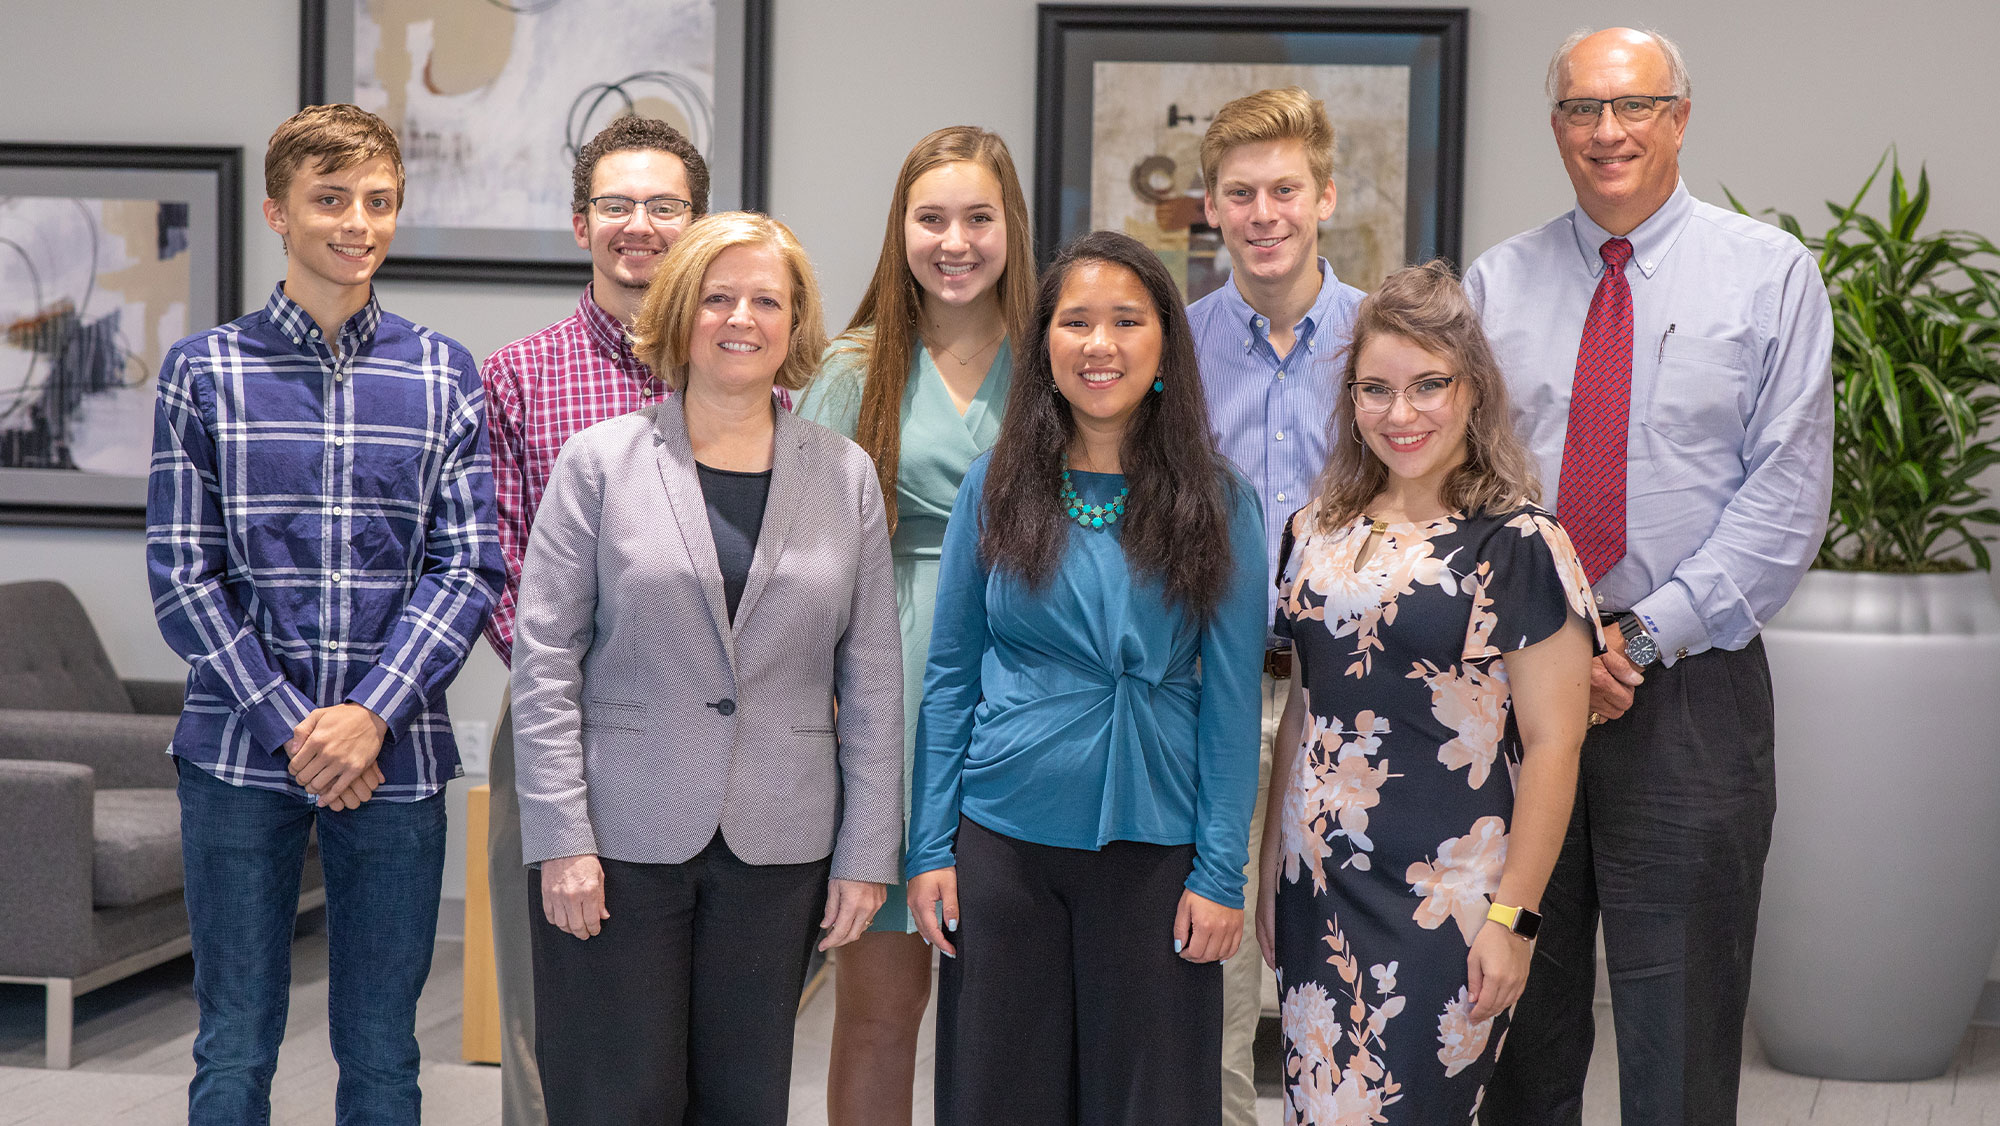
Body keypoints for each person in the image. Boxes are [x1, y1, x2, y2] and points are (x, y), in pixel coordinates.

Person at [1464, 28, 1833, 1126]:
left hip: (1687, 688)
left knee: (1680, 1032)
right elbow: (1464, 489)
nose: (1605, 131)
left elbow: (1782, 500)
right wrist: (1550, 649)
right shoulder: (1496, 280)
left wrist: (1629, 640)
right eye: (1580, 109)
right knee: (1517, 1024)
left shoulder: (1767, 276)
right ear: (1554, 128)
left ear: (1678, 116)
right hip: (1518, 693)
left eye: (1631, 106)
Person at [146, 104, 503, 1125]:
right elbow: (182, 575)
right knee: (233, 1044)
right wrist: (293, 726)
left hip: (395, 757)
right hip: (235, 754)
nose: (359, 222)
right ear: (278, 211)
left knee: (385, 1053)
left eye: (379, 201)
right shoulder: (203, 371)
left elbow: (466, 565)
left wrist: (368, 714)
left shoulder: (443, 372)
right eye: (331, 199)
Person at [510, 211, 904, 1124]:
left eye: (768, 299)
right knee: (617, 1098)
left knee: (745, 1100)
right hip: (617, 842)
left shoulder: (843, 475)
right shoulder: (599, 464)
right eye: (719, 296)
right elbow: (544, 664)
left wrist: (865, 852)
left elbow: (875, 681)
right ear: (681, 311)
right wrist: (561, 838)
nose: (743, 318)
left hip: (780, 844)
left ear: (794, 323)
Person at [906, 230, 1267, 1125]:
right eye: (1075, 322)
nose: (1098, 344)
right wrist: (929, 847)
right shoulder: (993, 486)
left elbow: (1229, 702)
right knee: (1001, 1098)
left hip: (1157, 850)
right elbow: (951, 675)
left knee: (1150, 1103)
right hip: (1001, 840)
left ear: (1163, 348)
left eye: (1126, 321)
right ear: (1045, 347)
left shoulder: (1221, 502)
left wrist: (1223, 875)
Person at [1252, 262, 1598, 1123]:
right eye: (1376, 389)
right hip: (1318, 885)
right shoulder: (1314, 530)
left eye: (1427, 386)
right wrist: (1269, 868)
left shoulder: (1517, 543)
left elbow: (1558, 743)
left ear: (1473, 391)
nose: (1400, 414)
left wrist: (1513, 919)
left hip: (1448, 901)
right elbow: (1304, 709)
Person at [792, 123, 1032, 1126]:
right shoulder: (853, 370)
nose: (954, 240)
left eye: (978, 216)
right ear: (899, 230)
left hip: (1022, 688)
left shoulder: (1058, 364)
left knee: (1010, 1018)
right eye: (930, 217)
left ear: (1010, 226)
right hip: (882, 700)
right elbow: (799, 565)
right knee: (881, 1011)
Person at [477, 114, 713, 1126]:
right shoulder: (518, 376)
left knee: (709, 1004)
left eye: (664, 205)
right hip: (553, 722)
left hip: (717, 730)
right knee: (545, 1004)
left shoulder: (754, 370)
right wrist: (573, 687)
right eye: (616, 204)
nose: (639, 225)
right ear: (580, 223)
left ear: (697, 222)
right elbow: (494, 564)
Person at [1184, 85, 1369, 1124]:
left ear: (1324, 196)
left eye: (1284, 190)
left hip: (1349, 697)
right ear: (1210, 206)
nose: (1264, 213)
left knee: (1343, 958)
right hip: (1209, 690)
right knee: (1212, 967)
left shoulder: (1382, 349)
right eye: (1240, 192)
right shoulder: (1171, 346)